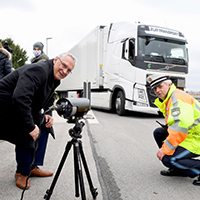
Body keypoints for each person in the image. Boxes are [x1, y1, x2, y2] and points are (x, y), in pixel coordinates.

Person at [0, 52, 76, 189]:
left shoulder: (54, 77)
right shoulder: (38, 70)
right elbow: (20, 98)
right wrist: (30, 127)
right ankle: (22, 173)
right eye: (63, 65)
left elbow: (48, 97)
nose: (65, 71)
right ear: (56, 60)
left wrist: (47, 113)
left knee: (44, 126)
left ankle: (32, 166)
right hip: (5, 106)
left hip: (21, 105)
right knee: (27, 133)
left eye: (69, 70)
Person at [147, 74, 200, 185]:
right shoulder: (170, 97)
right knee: (159, 133)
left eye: (160, 86)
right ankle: (179, 169)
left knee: (168, 159)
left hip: (196, 138)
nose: (157, 91)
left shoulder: (177, 97)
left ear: (169, 85)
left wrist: (165, 150)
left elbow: (180, 127)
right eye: (155, 88)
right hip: (189, 135)